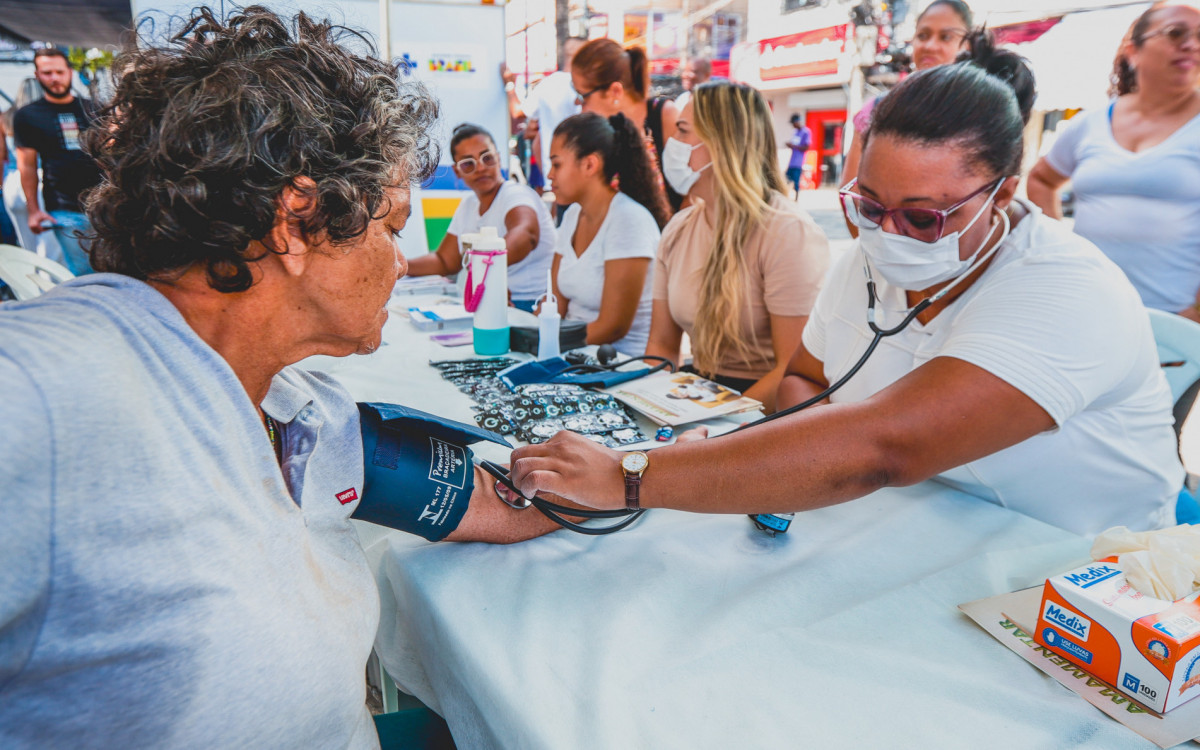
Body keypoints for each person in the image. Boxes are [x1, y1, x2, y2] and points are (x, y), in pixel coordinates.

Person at [0, 8, 573, 748]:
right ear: (297, 221)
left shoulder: (298, 409)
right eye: (392, 227)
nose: (401, 261)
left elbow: (493, 499)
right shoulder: (47, 393)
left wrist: (633, 480)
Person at [510, 39, 1186, 538]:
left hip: (1076, 567)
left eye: (921, 216)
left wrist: (633, 477)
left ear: (1004, 193)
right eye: (868, 205)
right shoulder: (876, 258)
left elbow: (888, 444)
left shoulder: (1067, 291)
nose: (886, 234)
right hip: (919, 528)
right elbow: (806, 375)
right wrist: (795, 465)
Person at [646, 82, 829, 412]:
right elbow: (661, 346)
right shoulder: (679, 227)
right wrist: (644, 404)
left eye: (683, 132)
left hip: (760, 410)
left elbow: (792, 370)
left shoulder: (787, 232)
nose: (672, 144)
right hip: (694, 397)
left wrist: (717, 424)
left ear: (722, 144)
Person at [1027, 3, 1200, 318]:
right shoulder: (1092, 122)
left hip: (1173, 324)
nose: (1193, 45)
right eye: (1176, 33)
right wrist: (1060, 253)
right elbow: (1040, 179)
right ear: (1134, 50)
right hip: (1087, 309)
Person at [841, 0, 974, 234]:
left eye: (946, 37)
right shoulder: (877, 109)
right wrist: (875, 252)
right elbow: (852, 197)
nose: (930, 45)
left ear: (968, 46)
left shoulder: (980, 114)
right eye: (923, 35)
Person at [547, 111, 669, 357]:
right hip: (572, 356)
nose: (550, 175)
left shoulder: (628, 220)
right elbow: (556, 304)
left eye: (557, 164)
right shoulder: (572, 216)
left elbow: (612, 328)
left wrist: (547, 339)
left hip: (621, 365)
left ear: (590, 164)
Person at [405, 123, 555, 311]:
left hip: (530, 305)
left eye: (487, 158)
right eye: (468, 163)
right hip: (491, 300)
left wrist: (485, 271)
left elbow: (526, 234)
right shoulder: (469, 206)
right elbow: (445, 261)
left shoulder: (516, 194)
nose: (481, 167)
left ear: (499, 159)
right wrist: (399, 265)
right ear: (457, 171)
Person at [12, 47, 102, 274]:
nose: (55, 78)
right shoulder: (27, 115)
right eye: (47, 73)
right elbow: (27, 166)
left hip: (104, 205)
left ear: (69, 72)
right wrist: (33, 210)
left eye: (59, 72)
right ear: (37, 75)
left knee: (114, 269)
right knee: (83, 273)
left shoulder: (94, 108)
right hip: (64, 208)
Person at [570, 38, 684, 213]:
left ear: (615, 91)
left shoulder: (663, 116)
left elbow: (690, 193)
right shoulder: (597, 131)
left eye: (583, 95)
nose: (578, 103)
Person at [501, 37, 585, 197]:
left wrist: (509, 85)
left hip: (555, 175)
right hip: (580, 177)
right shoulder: (588, 84)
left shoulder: (549, 84)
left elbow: (519, 112)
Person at [785, 113, 813, 197]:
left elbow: (807, 147)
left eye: (793, 123)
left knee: (796, 182)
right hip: (792, 162)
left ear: (797, 122)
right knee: (786, 180)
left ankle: (796, 199)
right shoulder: (795, 132)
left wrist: (793, 146)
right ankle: (786, 196)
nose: (792, 125)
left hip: (798, 162)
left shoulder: (806, 132)